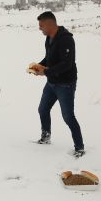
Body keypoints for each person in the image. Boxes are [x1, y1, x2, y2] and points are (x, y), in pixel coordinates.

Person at [32, 11, 85, 157]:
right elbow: (48, 58)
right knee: (43, 109)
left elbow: (67, 64)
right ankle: (46, 136)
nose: (40, 28)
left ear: (50, 24)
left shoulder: (66, 40)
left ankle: (79, 147)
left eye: (41, 25)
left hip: (65, 84)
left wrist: (46, 72)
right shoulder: (49, 38)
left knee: (68, 117)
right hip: (52, 83)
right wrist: (39, 65)